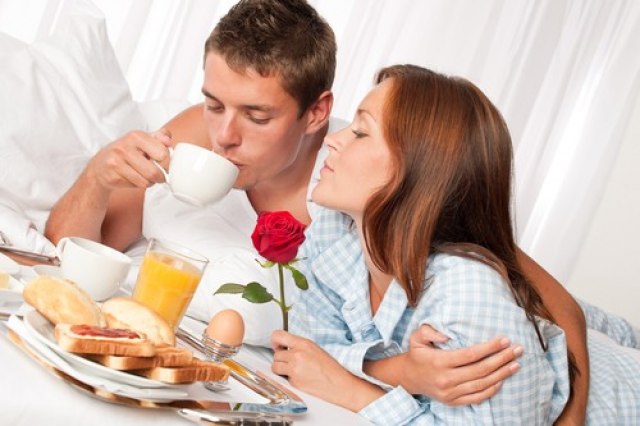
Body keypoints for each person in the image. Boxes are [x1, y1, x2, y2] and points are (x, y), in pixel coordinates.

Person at [45, 0, 591, 417]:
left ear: (316, 113)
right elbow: (74, 250)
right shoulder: (204, 134)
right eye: (214, 103)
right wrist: (97, 177)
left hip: (544, 364)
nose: (224, 136)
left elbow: (560, 310)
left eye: (257, 116)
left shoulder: (369, 185)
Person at [271, 64, 640, 425]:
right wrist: (402, 371)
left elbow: (566, 311)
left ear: (418, 168)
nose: (332, 139)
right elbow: (306, 354)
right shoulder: (335, 233)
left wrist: (357, 393)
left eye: (361, 132)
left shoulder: (469, 293)